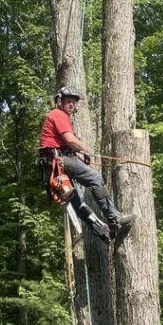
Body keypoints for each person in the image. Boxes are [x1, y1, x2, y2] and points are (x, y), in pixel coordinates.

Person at [38, 86, 136, 241]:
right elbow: (69, 139)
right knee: (95, 178)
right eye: (68, 101)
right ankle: (114, 218)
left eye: (73, 102)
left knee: (78, 202)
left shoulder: (59, 116)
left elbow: (61, 144)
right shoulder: (58, 114)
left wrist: (78, 154)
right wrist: (85, 150)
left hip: (55, 164)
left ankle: (103, 232)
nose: (71, 105)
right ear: (59, 101)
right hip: (59, 162)